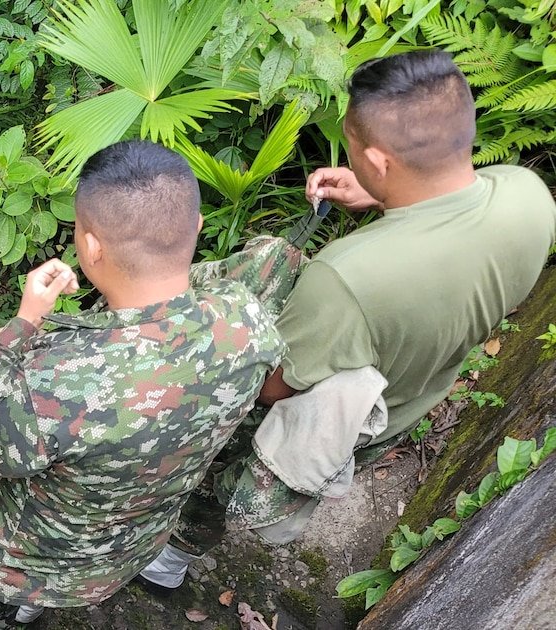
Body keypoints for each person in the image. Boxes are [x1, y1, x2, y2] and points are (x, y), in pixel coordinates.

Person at [151, 49, 556, 589]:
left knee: (229, 455)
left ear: (382, 159)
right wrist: (383, 193)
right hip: (409, 400)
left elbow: (274, 389)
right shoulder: (528, 194)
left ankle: (168, 555)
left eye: (354, 145)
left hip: (343, 408)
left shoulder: (345, 278)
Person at [0, 141, 287, 630]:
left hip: (25, 559)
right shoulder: (247, 321)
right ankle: (28, 610)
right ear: (197, 228)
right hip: (134, 545)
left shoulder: (54, 383)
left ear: (89, 247)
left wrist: (24, 324)